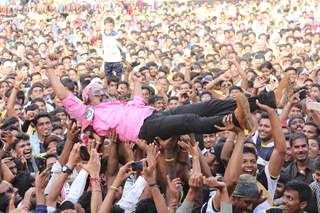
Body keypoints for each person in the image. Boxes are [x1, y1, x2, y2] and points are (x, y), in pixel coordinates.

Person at [46, 59, 290, 142]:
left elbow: (138, 100)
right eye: (98, 91)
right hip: (143, 130)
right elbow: (65, 96)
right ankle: (234, 119)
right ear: (89, 98)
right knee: (189, 120)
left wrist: (137, 80)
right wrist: (50, 72)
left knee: (207, 105)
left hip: (152, 116)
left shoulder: (119, 105)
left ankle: (268, 98)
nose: (104, 91)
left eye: (103, 88)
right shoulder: (90, 114)